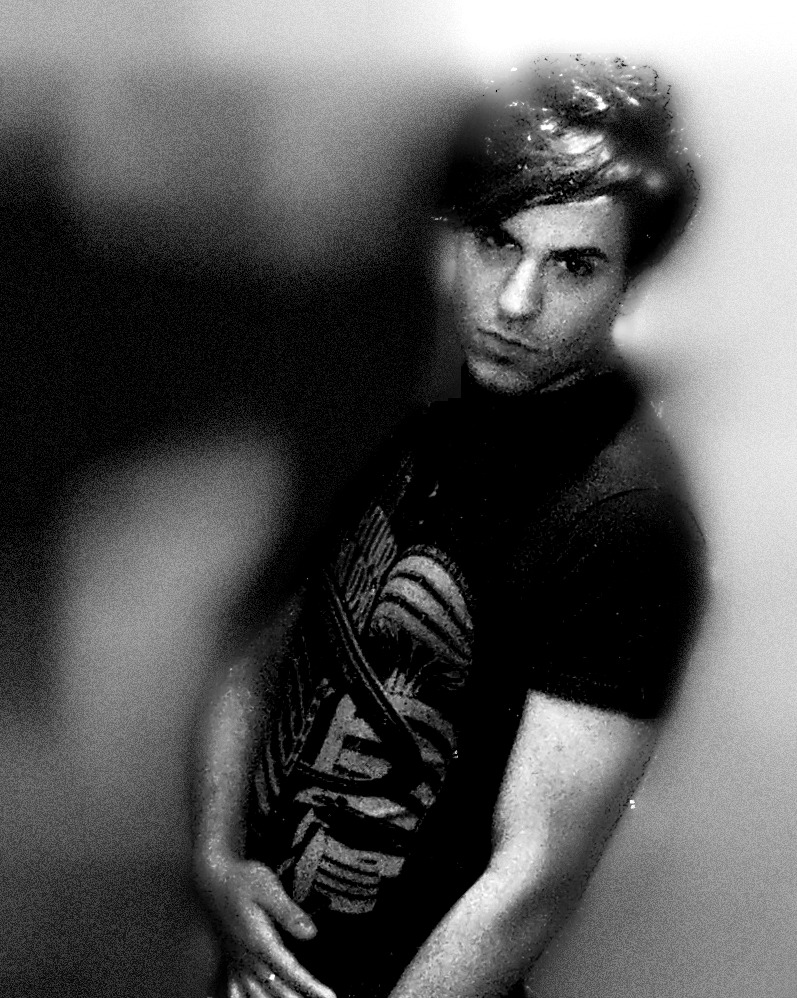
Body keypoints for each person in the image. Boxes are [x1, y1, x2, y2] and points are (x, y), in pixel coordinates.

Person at [193, 56, 705, 998]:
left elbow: (528, 887)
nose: (515, 302)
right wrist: (219, 863)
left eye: (573, 265)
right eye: (498, 243)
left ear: (628, 285)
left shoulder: (624, 521)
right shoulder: (408, 401)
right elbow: (257, 643)